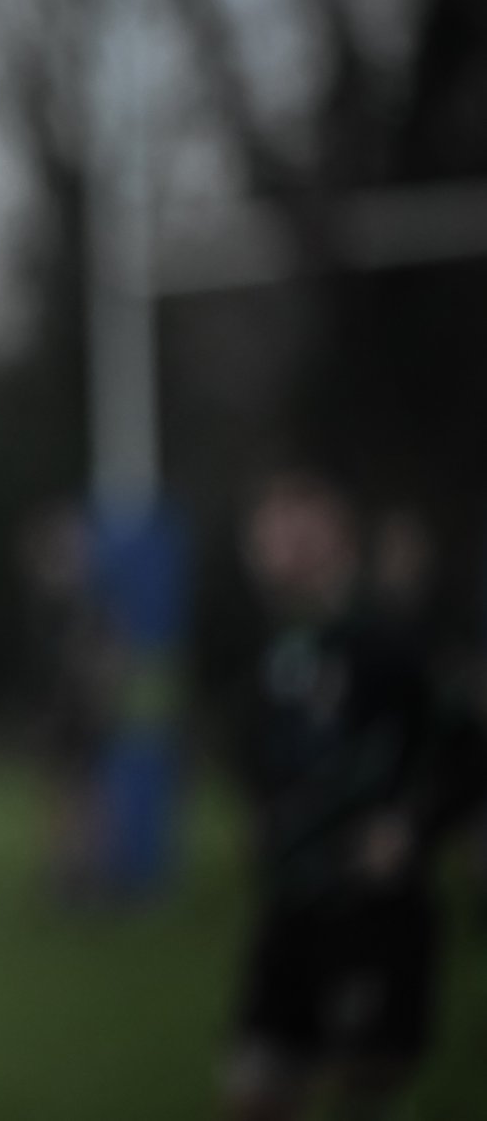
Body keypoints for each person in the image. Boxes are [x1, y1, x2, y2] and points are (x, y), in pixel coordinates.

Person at [222, 472, 486, 1121]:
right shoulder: (277, 648)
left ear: (334, 535)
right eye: (267, 531)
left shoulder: (389, 641)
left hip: (376, 915)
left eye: (294, 528)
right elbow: (258, 751)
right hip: (291, 905)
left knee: (363, 1087)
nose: (275, 546)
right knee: (257, 1083)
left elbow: (468, 750)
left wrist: (411, 830)